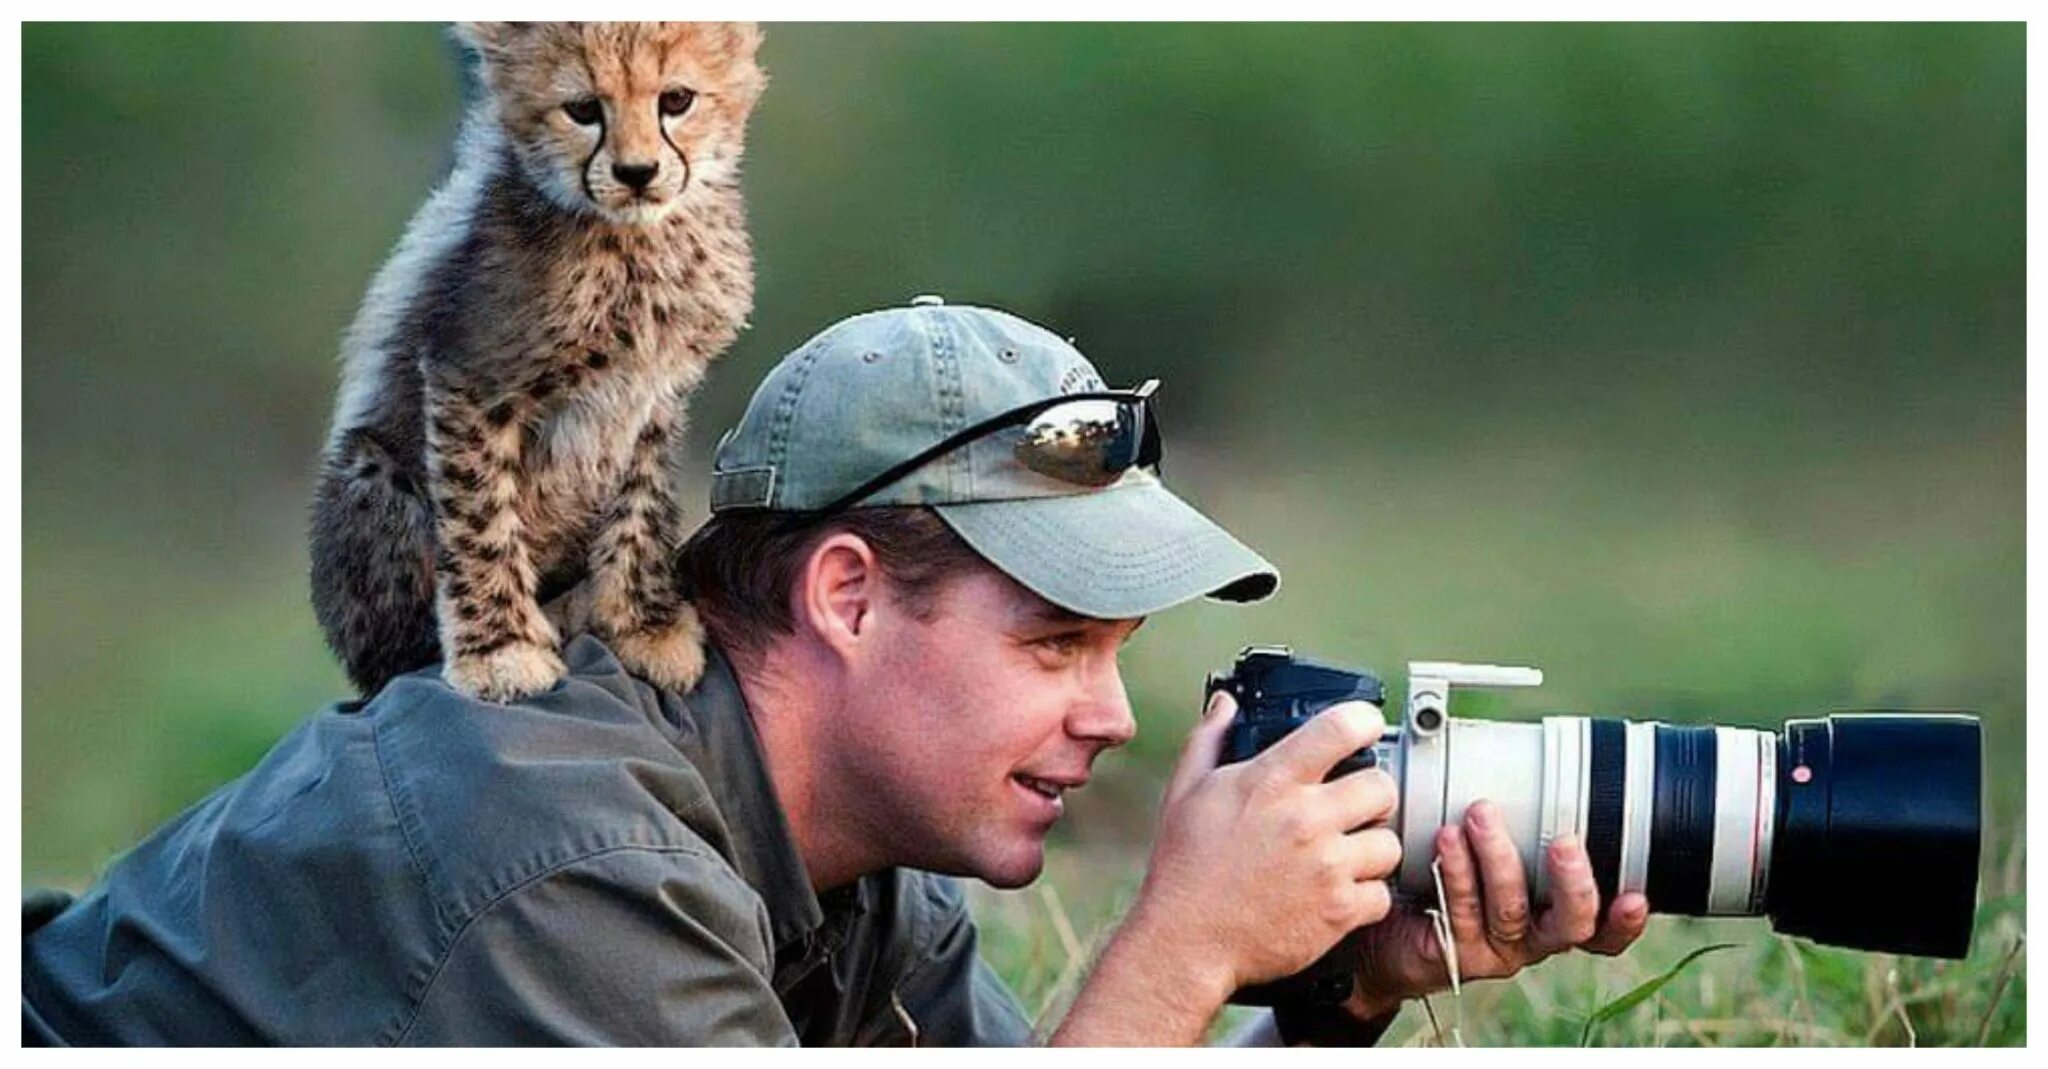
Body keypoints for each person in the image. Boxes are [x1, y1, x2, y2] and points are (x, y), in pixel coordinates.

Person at [22, 300, 1646, 1045]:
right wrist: (1168, 953)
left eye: (1122, 652)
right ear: (850, 596)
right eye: (1058, 641)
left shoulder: (850, 867)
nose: (1112, 715)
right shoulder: (573, 852)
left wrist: (1326, 999)